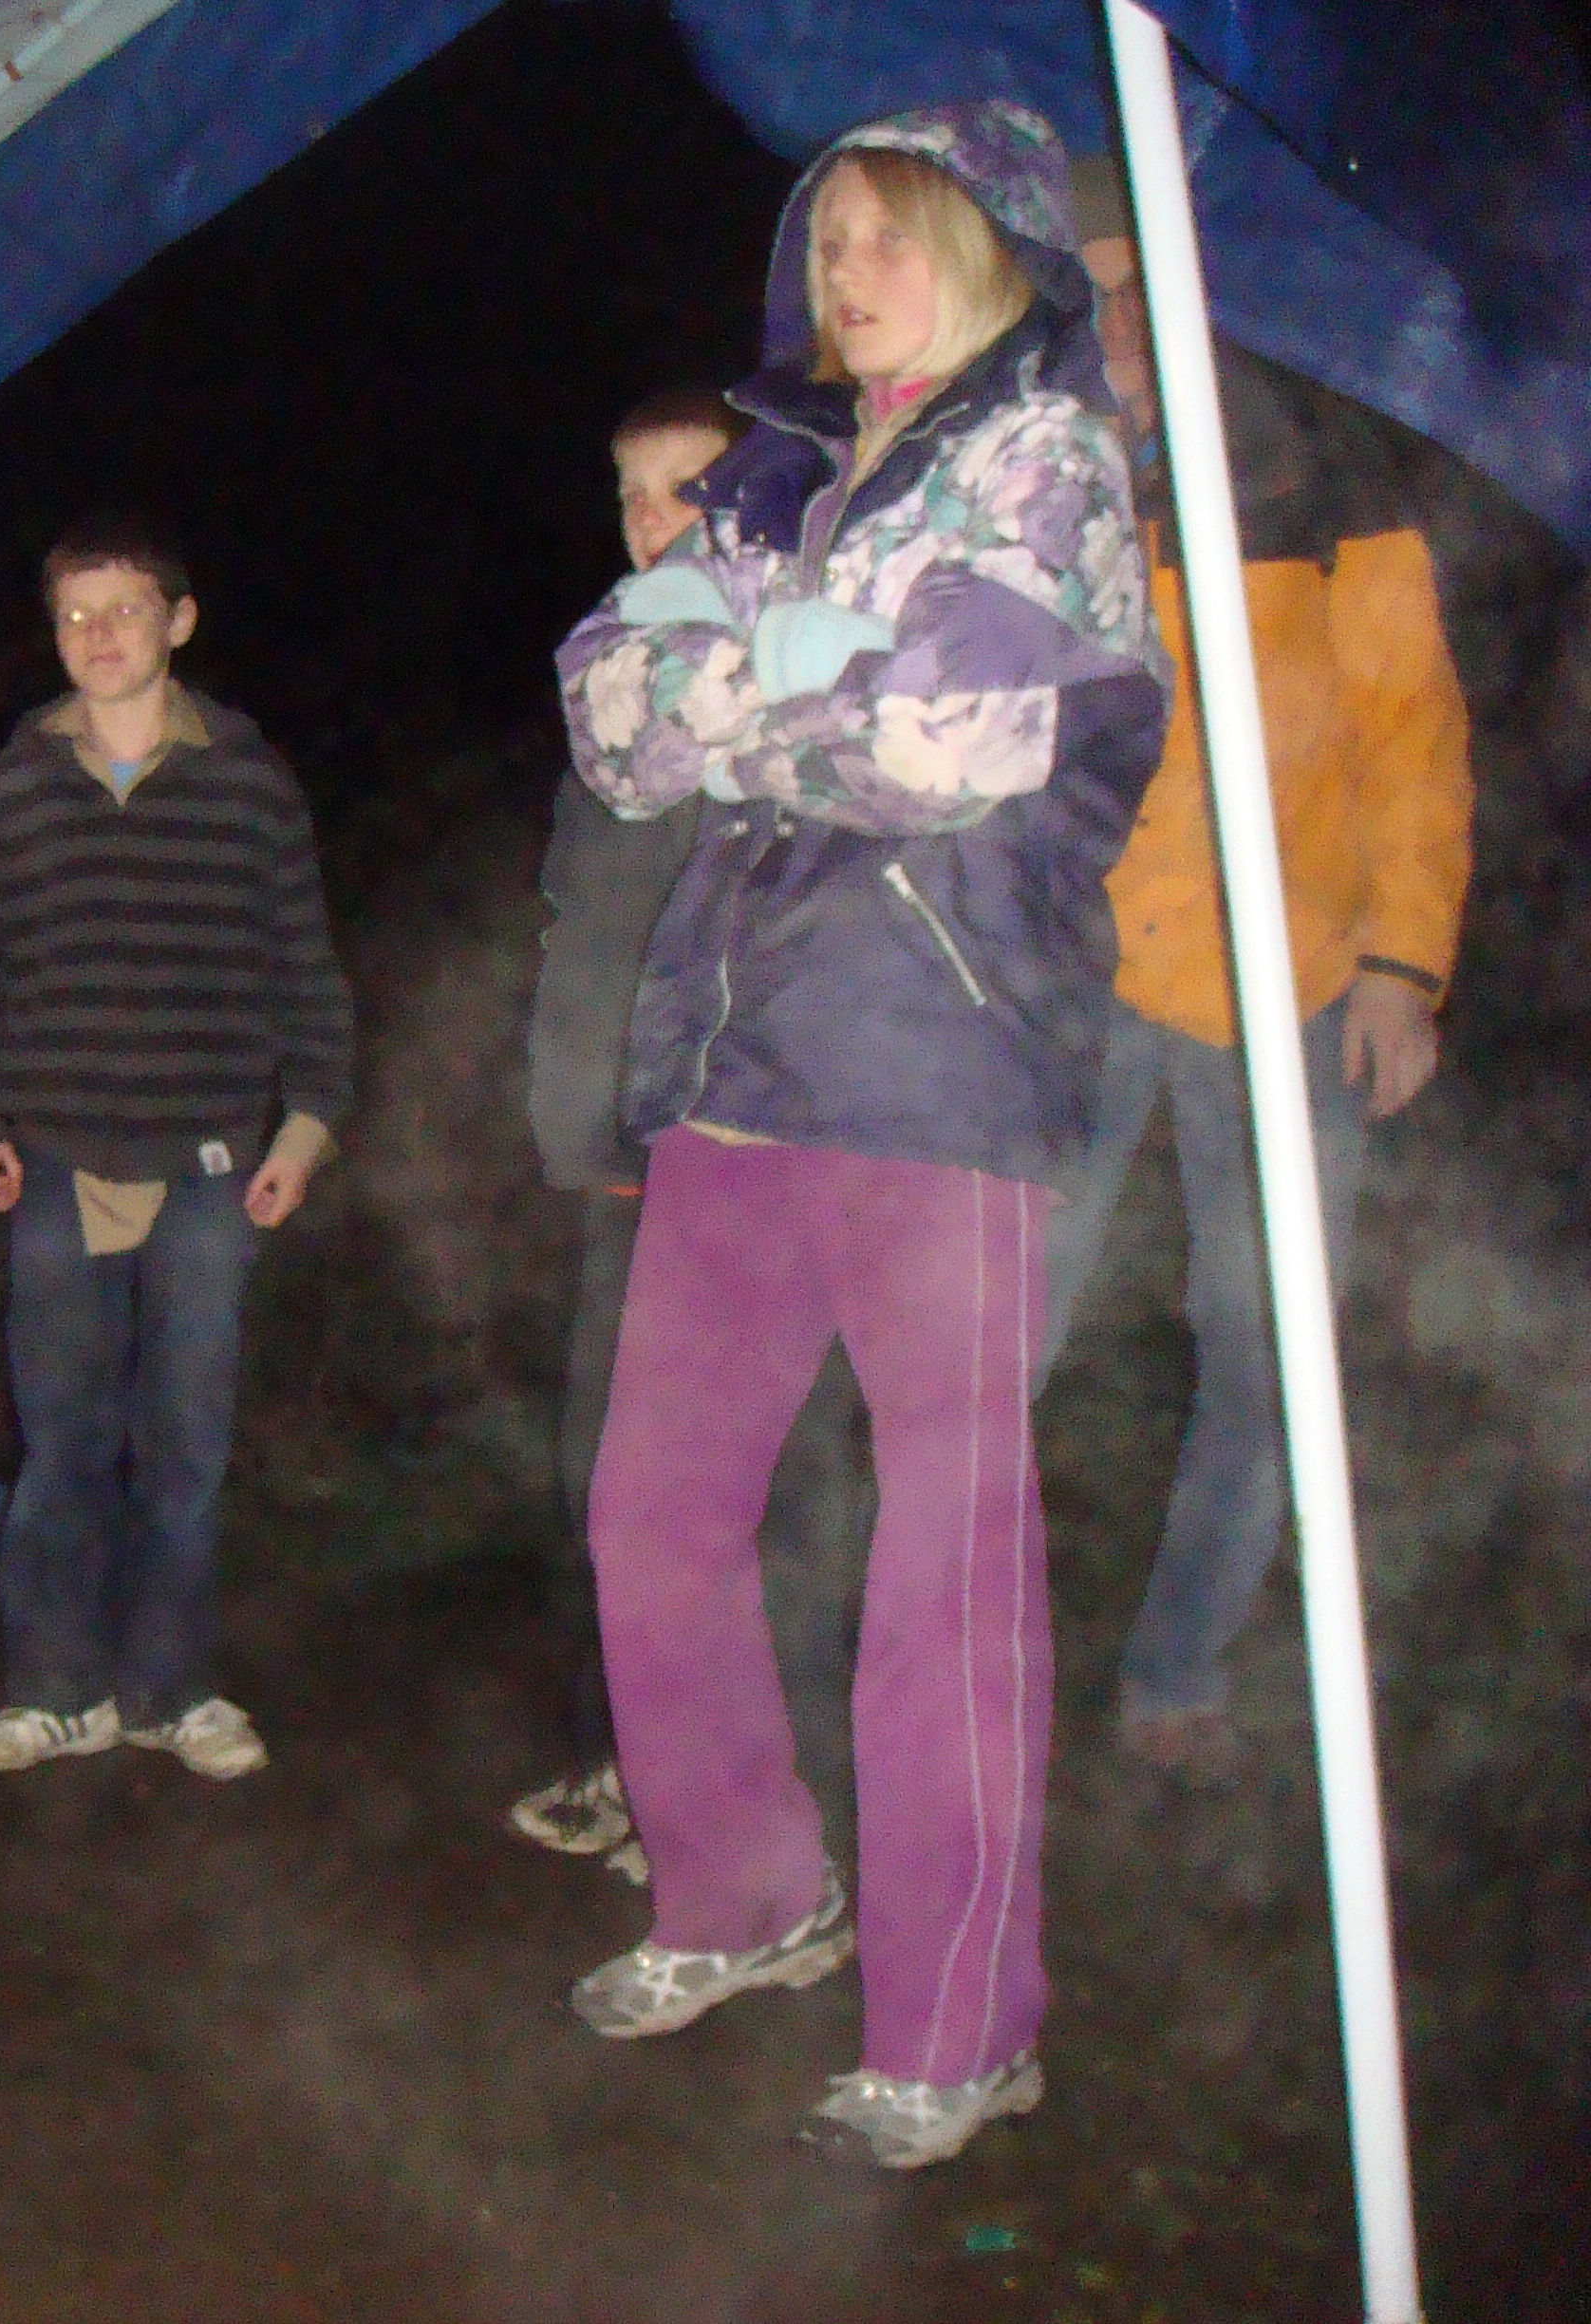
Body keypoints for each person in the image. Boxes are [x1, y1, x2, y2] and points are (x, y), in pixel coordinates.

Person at [553, 103, 1167, 2167]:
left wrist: (744, 687)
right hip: (742, 1061)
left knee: (947, 1564)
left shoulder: (1050, 462)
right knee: (651, 1512)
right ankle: (744, 1890)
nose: (848, 276)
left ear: (988, 248)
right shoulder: (777, 472)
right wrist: (796, 669)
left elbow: (952, 744)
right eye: (828, 244)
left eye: (891, 237)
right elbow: (610, 720)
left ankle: (963, 2020)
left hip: (943, 1061)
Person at [1039, 159, 1474, 1777]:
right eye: (1088, 291)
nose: (1117, 324)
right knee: (997, 1332)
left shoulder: (1324, 466)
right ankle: (954, 1644)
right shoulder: (1036, 470)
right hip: (1076, 974)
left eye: (1140, 286)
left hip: (1287, 977)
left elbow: (1412, 736)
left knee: (1270, 1347)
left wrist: (1404, 964)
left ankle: (1176, 1673)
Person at [514, 385, 880, 1884]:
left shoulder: (780, 679)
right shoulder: (617, 674)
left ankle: (787, 1815)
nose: (651, 519)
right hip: (624, 1156)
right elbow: (580, 929)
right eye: (630, 492)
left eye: (686, 488)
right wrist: (567, 1112)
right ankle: (635, 1761)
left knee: (769, 1495)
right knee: (607, 1482)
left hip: (749, 1151)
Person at [0, 512, 355, 1781]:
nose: (98, 635)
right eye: (74, 615)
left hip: (210, 1164)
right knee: (62, 1444)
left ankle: (171, 1692)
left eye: (124, 610)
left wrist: (307, 1128)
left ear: (179, 621)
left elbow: (306, 972)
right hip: (58, 1159)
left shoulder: (248, 783)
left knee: (185, 1449)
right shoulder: (9, 795)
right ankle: (58, 1693)